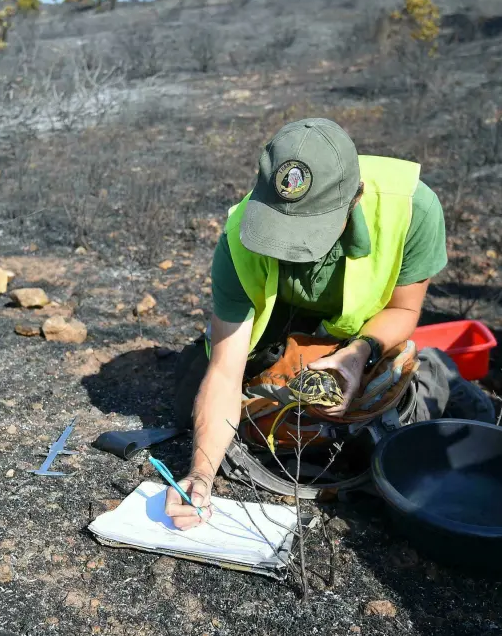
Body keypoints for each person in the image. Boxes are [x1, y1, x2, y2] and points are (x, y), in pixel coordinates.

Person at [166, 118, 447, 530]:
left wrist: (357, 354)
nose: (293, 250)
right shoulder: (237, 235)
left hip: (365, 326)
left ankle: (432, 370)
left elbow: (404, 311)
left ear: (355, 201)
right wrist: (201, 474)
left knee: (377, 425)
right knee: (189, 402)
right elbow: (225, 370)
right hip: (282, 314)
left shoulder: (412, 209)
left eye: (309, 232)